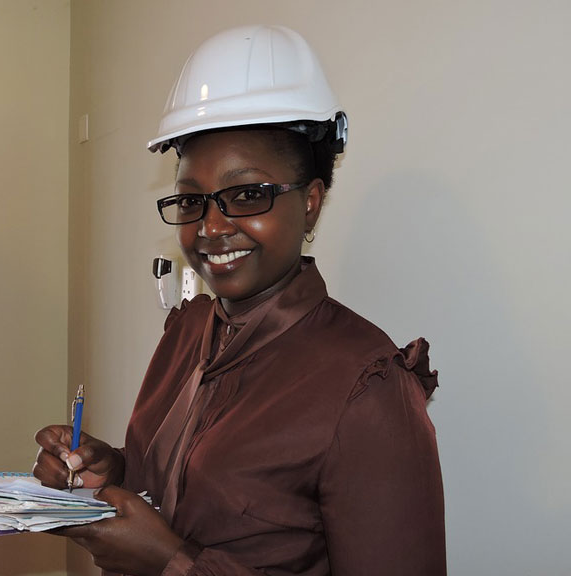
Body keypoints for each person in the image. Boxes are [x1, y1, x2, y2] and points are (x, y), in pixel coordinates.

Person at [33, 25, 446, 576]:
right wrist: (113, 472)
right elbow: (198, 497)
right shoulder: (188, 330)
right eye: (191, 200)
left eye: (247, 194)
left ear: (312, 204)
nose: (210, 227)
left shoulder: (365, 390)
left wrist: (172, 564)